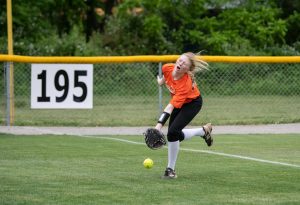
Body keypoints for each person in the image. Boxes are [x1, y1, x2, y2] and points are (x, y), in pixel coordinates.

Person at [155, 52, 213, 179]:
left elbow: (170, 107)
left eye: (184, 63)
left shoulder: (184, 84)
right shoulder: (167, 67)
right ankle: (203, 131)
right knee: (174, 134)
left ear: (188, 69)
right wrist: (160, 82)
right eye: (180, 60)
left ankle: (170, 170)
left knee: (172, 133)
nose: (180, 63)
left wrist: (158, 127)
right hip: (180, 102)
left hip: (192, 103)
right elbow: (166, 75)